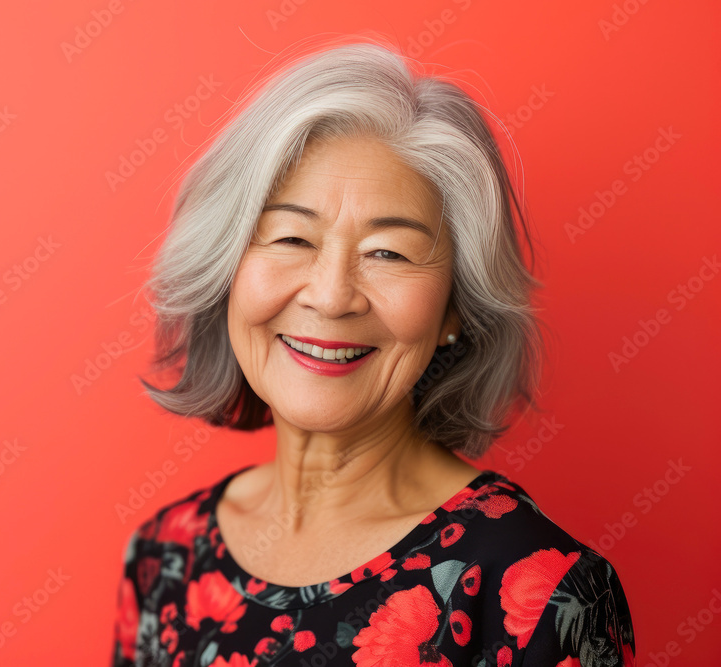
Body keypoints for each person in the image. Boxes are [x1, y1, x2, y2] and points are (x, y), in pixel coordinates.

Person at [110, 39, 635, 667]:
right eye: (292, 237)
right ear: (224, 270)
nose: (332, 297)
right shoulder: (164, 555)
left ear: (454, 308)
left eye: (388, 252)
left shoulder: (542, 594)